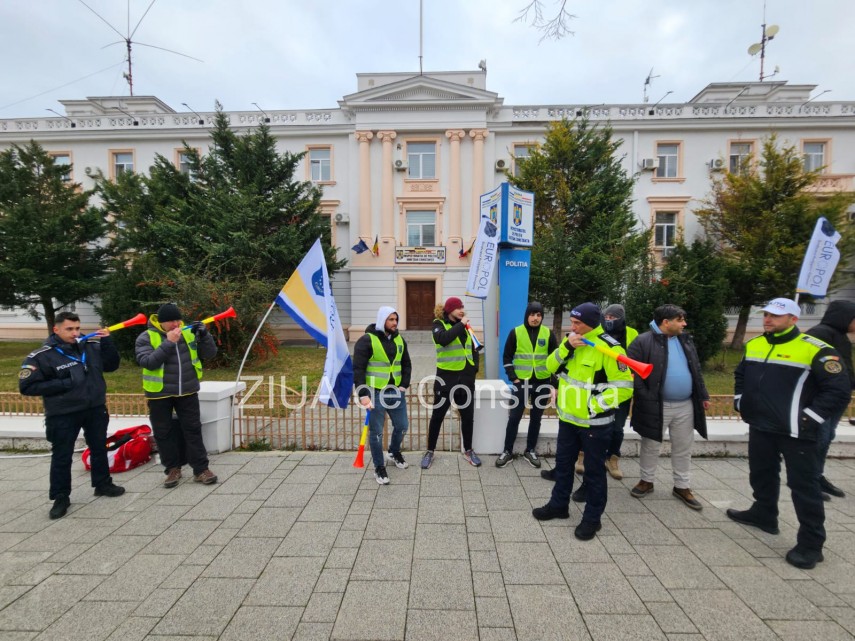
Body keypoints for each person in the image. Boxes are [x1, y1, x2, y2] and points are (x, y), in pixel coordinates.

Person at [729, 298, 850, 570]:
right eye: (767, 315)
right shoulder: (755, 344)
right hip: (760, 426)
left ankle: (811, 543)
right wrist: (740, 400)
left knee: (804, 487)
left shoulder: (816, 349)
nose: (769, 319)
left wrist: (811, 417)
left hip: (798, 432)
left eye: (776, 316)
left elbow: (838, 389)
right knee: (761, 473)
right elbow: (741, 374)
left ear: (793, 320)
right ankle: (764, 513)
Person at [532, 302, 634, 541]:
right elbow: (548, 366)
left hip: (594, 424)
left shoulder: (609, 348)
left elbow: (625, 388)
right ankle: (559, 506)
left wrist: (593, 406)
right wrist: (566, 347)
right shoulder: (573, 342)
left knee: (594, 473)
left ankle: (592, 519)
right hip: (567, 419)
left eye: (577, 323)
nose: (572, 326)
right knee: (563, 466)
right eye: (572, 321)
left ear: (591, 323)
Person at [19, 312, 125, 519]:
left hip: (94, 407)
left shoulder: (90, 346)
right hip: (63, 413)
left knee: (98, 447)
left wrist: (107, 343)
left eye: (77, 328)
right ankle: (60, 497)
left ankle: (103, 484)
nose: (75, 333)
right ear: (56, 329)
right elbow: (27, 386)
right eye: (69, 329)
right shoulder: (41, 356)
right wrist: (66, 383)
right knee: (62, 455)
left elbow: (111, 366)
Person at [627, 304, 710, 510]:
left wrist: (703, 394)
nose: (684, 324)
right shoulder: (643, 341)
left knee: (683, 446)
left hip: (686, 405)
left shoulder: (685, 340)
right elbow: (630, 371)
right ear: (666, 322)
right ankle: (646, 481)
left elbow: (696, 369)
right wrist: (645, 396)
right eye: (680, 320)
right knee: (651, 444)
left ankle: (682, 486)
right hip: (655, 405)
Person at [135, 303, 218, 488]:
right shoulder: (146, 337)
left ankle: (201, 470)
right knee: (163, 433)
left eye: (177, 320)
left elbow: (210, 354)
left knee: (193, 429)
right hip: (159, 394)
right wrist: (169, 342)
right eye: (170, 321)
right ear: (161, 323)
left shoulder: (187, 333)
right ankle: (172, 469)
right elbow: (147, 362)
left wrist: (205, 335)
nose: (175, 324)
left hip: (187, 390)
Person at [570, 303, 638, 500]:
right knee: (592, 443)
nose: (609, 322)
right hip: (596, 397)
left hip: (617, 394)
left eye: (613, 319)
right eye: (606, 318)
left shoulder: (631, 334)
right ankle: (586, 476)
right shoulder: (593, 337)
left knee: (616, 430)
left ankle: (613, 458)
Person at [352, 306, 412, 485]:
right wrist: (363, 394)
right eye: (391, 319)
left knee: (402, 426)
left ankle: (393, 452)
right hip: (375, 392)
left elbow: (406, 363)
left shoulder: (400, 339)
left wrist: (403, 385)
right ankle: (379, 467)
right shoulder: (366, 340)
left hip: (395, 392)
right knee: (376, 433)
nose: (395, 323)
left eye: (396, 319)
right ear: (382, 320)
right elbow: (358, 369)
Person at [496, 301, 558, 469]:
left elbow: (556, 360)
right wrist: (513, 378)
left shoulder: (548, 334)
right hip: (521, 382)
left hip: (542, 382)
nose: (535, 318)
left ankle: (530, 450)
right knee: (514, 417)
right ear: (527, 315)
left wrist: (555, 383)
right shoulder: (516, 332)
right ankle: (507, 451)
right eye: (532, 314)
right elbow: (507, 357)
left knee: (536, 418)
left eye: (539, 315)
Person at [422, 297, 482, 469]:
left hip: (466, 379)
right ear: (449, 310)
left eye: (462, 307)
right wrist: (461, 324)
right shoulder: (438, 324)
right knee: (437, 417)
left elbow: (474, 348)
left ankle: (468, 451)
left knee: (468, 417)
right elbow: (443, 339)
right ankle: (430, 451)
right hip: (445, 380)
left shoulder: (465, 328)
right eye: (457, 307)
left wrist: (474, 368)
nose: (461, 310)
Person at [806, 301, 855, 500]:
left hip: (836, 398)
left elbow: (843, 368)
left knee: (826, 438)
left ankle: (818, 476)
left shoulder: (840, 336)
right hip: (822, 398)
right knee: (820, 439)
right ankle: (810, 480)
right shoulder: (819, 334)